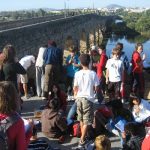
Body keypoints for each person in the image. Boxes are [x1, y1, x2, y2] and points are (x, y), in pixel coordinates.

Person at [73, 54, 99, 148]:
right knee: (87, 121)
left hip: (79, 98)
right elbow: (96, 87)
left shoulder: (77, 73)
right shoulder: (93, 73)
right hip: (88, 99)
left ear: (80, 63)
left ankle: (83, 136)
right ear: (90, 62)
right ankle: (82, 140)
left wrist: (75, 96)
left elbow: (75, 87)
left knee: (81, 119)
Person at [0, 81, 32, 150]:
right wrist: (30, 131)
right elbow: (21, 148)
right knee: (43, 143)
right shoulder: (18, 122)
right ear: (14, 98)